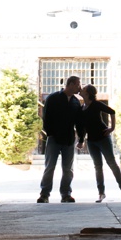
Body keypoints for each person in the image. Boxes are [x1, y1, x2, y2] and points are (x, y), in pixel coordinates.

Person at [77, 84, 121, 203]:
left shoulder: (96, 104)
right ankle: (101, 193)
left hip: (103, 137)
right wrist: (80, 141)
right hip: (91, 141)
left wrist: (112, 128)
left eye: (83, 89)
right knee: (97, 167)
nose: (81, 90)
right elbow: (83, 127)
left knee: (111, 163)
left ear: (88, 93)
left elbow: (112, 111)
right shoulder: (81, 108)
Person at [38, 75, 83, 203]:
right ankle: (44, 194)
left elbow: (78, 122)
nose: (80, 87)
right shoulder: (53, 98)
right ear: (71, 84)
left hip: (69, 140)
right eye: (78, 84)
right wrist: (50, 133)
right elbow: (46, 117)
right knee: (49, 167)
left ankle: (66, 194)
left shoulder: (75, 102)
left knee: (68, 169)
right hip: (54, 138)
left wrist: (81, 138)